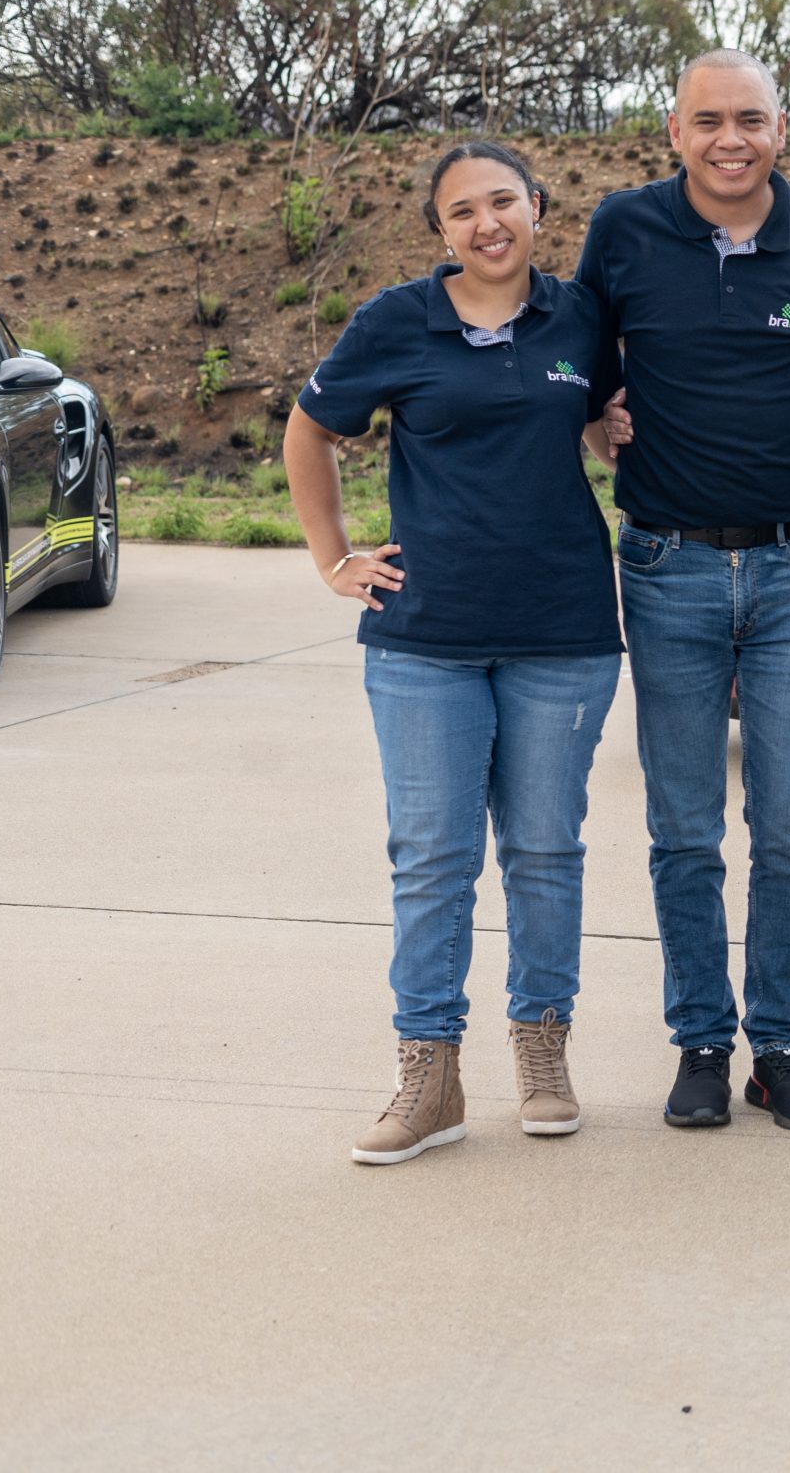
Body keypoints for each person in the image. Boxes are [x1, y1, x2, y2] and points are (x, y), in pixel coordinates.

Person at [283, 142, 622, 1165]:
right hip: (426, 638)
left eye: (503, 201)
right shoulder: (396, 320)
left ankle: (543, 1051)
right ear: (441, 230)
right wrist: (333, 557)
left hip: (562, 630)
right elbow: (309, 433)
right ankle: (428, 1077)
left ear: (535, 207)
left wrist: (610, 423)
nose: (488, 223)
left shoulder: (581, 316)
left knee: (545, 850)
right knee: (432, 858)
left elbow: (604, 409)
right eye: (463, 209)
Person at [577, 50, 790, 1132]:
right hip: (666, 565)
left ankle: (779, 1046)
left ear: (782, 130)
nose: (730, 139)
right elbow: (576, 358)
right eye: (709, 119)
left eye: (751, 118)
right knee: (684, 826)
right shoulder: (625, 229)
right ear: (674, 129)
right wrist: (593, 416)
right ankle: (702, 1039)